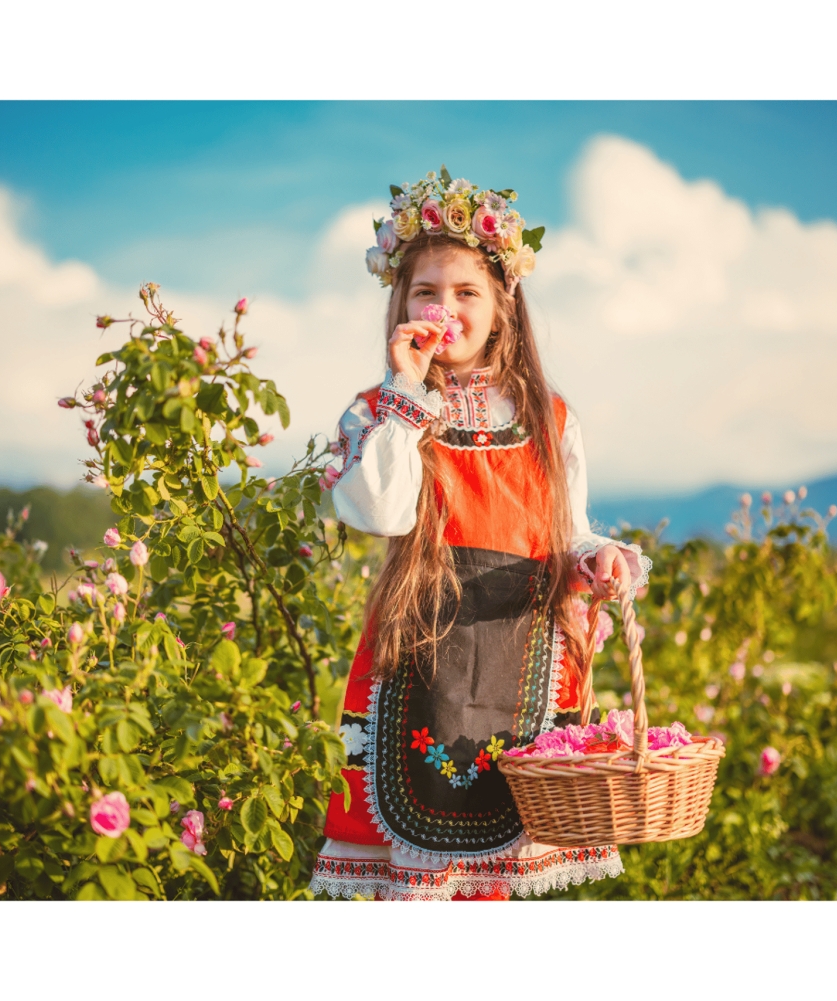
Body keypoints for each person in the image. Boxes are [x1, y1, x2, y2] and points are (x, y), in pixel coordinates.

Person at [308, 169, 651, 901]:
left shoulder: (548, 416)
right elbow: (381, 511)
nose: (445, 308)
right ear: (401, 305)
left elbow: (570, 532)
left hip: (520, 652)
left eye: (466, 292)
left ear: (503, 305)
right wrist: (406, 390)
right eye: (426, 291)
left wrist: (601, 560)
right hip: (419, 653)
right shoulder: (383, 409)